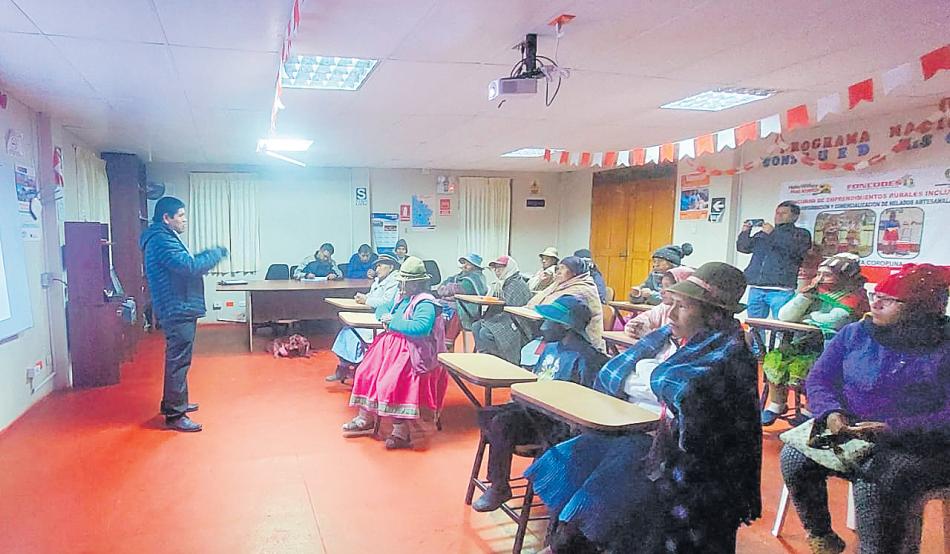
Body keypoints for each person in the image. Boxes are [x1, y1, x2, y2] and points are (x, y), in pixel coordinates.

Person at [525, 262, 761, 553]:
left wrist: (644, 375)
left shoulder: (729, 353)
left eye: (682, 306)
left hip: (687, 457)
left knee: (619, 470)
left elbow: (687, 399)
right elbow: (612, 373)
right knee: (575, 454)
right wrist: (652, 381)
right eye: (671, 304)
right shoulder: (664, 337)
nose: (671, 314)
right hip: (633, 433)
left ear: (712, 315)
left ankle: (566, 545)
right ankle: (572, 540)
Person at [780, 263, 950, 554]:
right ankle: (821, 535)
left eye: (888, 300)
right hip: (853, 430)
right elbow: (820, 379)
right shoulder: (855, 333)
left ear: (920, 309)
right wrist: (830, 412)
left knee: (875, 479)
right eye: (875, 295)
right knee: (794, 456)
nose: (875, 303)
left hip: (923, 444)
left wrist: (894, 429)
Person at [472, 295, 608, 512]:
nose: (543, 326)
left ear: (566, 326)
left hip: (557, 423)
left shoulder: (588, 358)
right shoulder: (551, 348)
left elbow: (587, 405)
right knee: (487, 414)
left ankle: (499, 486)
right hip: (536, 411)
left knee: (500, 423)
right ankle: (498, 480)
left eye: (549, 321)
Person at [140, 196, 228, 433]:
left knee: (179, 359)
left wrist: (207, 255)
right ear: (166, 218)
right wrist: (215, 254)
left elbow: (186, 263)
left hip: (178, 306)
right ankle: (175, 414)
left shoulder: (162, 237)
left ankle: (174, 402)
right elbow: (189, 267)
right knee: (178, 361)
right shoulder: (161, 240)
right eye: (180, 215)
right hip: (176, 307)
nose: (184, 219)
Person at [343, 257, 448, 450]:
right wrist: (385, 316)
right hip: (391, 347)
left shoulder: (426, 303)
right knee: (366, 373)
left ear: (416, 283)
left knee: (392, 382)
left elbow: (420, 328)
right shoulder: (403, 297)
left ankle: (401, 431)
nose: (400, 285)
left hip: (412, 352)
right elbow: (383, 308)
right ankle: (365, 417)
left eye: (403, 282)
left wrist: (392, 322)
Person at [761, 253, 870, 426]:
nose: (820, 278)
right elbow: (785, 316)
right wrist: (805, 297)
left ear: (844, 277)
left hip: (838, 350)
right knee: (777, 359)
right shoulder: (816, 291)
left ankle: (811, 408)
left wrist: (809, 317)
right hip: (808, 343)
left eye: (827, 275)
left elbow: (837, 319)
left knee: (813, 369)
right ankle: (777, 403)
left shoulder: (855, 296)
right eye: (818, 273)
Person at [327, 254, 401, 382]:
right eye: (376, 266)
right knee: (347, 330)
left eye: (380, 266)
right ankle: (345, 367)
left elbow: (386, 302)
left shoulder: (394, 281)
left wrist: (366, 300)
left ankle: (353, 367)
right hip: (373, 315)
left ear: (391, 267)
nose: (377, 269)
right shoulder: (379, 280)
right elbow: (373, 295)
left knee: (351, 332)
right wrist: (363, 296)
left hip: (384, 320)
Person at [737, 201, 812, 319]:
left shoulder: (801, 234)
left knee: (781, 323)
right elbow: (743, 248)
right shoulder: (764, 233)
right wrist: (745, 231)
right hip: (757, 287)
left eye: (784, 213)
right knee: (754, 324)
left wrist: (773, 234)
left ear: (795, 217)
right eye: (777, 213)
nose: (779, 216)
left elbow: (794, 251)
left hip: (781, 289)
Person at [527, 256, 605, 355]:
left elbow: (553, 306)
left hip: (584, 341)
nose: (558, 272)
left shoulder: (583, 288)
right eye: (558, 268)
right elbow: (535, 302)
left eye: (563, 268)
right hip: (563, 333)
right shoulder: (561, 283)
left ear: (574, 272)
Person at [472, 256, 533, 363]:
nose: (497, 271)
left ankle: (498, 360)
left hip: (515, 322)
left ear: (509, 268)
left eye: (501, 267)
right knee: (476, 326)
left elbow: (515, 310)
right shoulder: (502, 283)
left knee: (485, 332)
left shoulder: (517, 284)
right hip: (502, 317)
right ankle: (485, 356)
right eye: (495, 268)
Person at [623, 266, 695, 339]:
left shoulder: (690, 314)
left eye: (667, 287)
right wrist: (634, 327)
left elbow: (677, 341)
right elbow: (642, 319)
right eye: (662, 286)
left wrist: (650, 335)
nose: (661, 291)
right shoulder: (663, 307)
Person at [437, 253, 487, 339]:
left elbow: (459, 289)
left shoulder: (476, 278)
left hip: (466, 306)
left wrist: (448, 292)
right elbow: (440, 288)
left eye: (468, 264)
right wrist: (450, 293)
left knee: (451, 309)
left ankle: (448, 340)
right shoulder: (458, 276)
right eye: (464, 263)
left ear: (475, 266)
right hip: (450, 302)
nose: (464, 266)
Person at [629, 243, 694, 305]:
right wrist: (636, 295)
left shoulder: (680, 275)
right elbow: (642, 296)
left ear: (671, 263)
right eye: (654, 261)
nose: (656, 264)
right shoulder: (654, 274)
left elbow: (673, 301)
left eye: (660, 261)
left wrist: (651, 295)